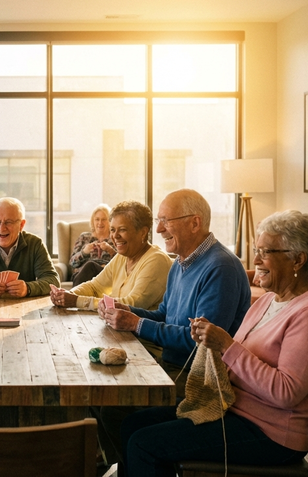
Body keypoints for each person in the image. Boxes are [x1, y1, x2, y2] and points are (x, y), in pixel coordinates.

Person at [120, 210, 308, 476]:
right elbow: (235, 360)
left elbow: (286, 392)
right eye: (257, 250)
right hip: (232, 410)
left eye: (266, 252)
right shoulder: (269, 300)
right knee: (131, 424)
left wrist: (226, 345)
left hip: (271, 434)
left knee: (144, 445)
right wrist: (209, 342)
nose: (256, 259)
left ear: (298, 260)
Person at [96, 189, 251, 467]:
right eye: (159, 220)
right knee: (102, 401)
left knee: (112, 408)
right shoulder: (180, 263)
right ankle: (129, 468)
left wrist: (136, 323)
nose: (158, 229)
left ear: (195, 223)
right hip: (172, 367)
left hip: (197, 380)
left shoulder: (221, 267)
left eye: (166, 220)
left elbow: (200, 343)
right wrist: (129, 311)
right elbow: (166, 315)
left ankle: (137, 467)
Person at [51, 200, 171, 312]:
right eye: (113, 230)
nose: (115, 236)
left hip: (140, 334)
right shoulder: (122, 256)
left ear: (143, 232)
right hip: (116, 328)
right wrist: (67, 295)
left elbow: (132, 304)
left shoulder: (156, 260)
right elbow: (95, 286)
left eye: (122, 230)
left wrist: (76, 301)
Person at [68, 204, 117, 285]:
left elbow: (123, 262)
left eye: (104, 219)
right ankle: (74, 295)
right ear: (92, 221)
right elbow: (72, 263)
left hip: (105, 274)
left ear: (110, 221)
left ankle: (72, 295)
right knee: (89, 265)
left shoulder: (115, 238)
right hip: (83, 274)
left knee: (92, 266)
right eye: (97, 219)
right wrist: (84, 252)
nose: (100, 223)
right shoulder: (84, 237)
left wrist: (110, 250)